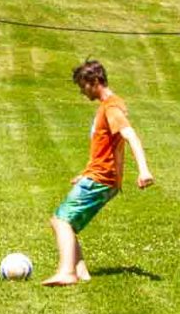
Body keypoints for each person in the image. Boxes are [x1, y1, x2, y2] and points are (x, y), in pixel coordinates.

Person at [44, 60, 154, 286]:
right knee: (67, 223)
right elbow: (106, 148)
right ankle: (80, 271)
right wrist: (85, 173)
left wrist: (143, 170)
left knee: (60, 221)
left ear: (95, 81)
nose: (82, 92)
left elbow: (130, 136)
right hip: (98, 176)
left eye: (83, 86)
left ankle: (67, 272)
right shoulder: (110, 106)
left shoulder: (111, 108)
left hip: (101, 179)